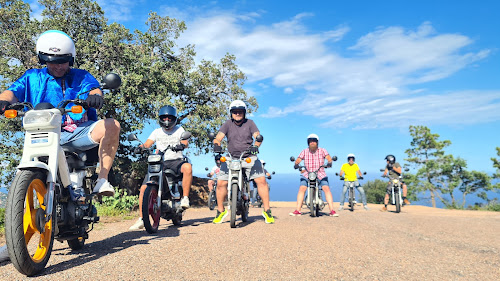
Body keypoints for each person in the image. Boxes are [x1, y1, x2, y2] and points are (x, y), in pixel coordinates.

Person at [0, 30, 119, 197]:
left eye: (63, 62)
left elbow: (94, 89)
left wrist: (95, 96)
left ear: (70, 59)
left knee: (112, 125)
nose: (58, 66)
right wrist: (3, 101)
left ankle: (102, 180)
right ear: (43, 60)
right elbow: (12, 92)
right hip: (42, 134)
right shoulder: (31, 77)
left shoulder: (82, 76)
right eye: (52, 62)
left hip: (77, 134)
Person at [129, 105, 192, 230]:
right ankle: (142, 218)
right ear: (160, 119)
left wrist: (181, 146)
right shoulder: (157, 132)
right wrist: (140, 148)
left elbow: (185, 142)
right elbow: (148, 143)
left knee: (188, 167)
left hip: (176, 161)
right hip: (160, 161)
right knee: (143, 188)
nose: (167, 120)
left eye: (170, 118)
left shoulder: (179, 130)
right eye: (164, 118)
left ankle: (185, 198)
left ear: (174, 118)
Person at [211, 100, 274, 224]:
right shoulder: (227, 124)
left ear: (244, 113)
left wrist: (256, 145)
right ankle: (220, 211)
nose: (238, 114)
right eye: (235, 112)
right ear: (231, 113)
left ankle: (267, 211)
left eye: (240, 112)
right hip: (230, 157)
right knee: (220, 183)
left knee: (261, 181)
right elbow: (218, 138)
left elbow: (257, 136)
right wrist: (216, 145)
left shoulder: (250, 123)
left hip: (249, 157)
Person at [290, 134, 339, 217]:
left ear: (317, 142)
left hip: (320, 172)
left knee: (326, 189)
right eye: (310, 141)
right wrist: (296, 163)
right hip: (307, 173)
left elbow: (328, 158)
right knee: (302, 188)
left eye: (314, 141)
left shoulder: (322, 150)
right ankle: (298, 210)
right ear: (308, 143)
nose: (312, 143)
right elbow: (298, 159)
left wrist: (330, 162)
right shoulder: (304, 151)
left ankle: (332, 210)